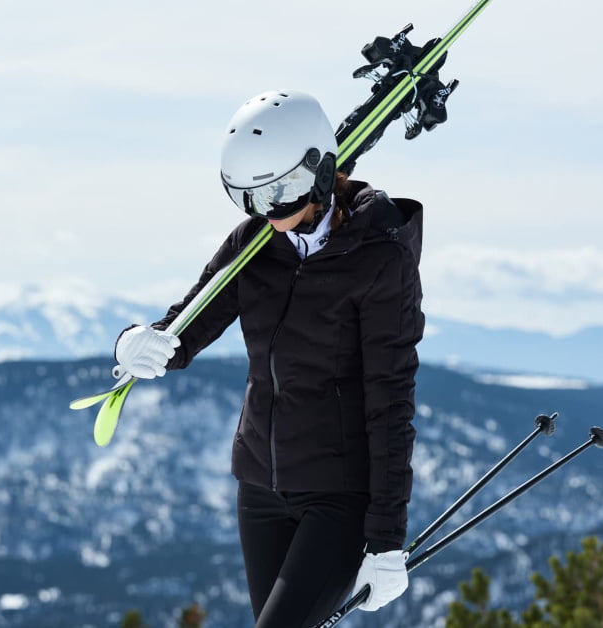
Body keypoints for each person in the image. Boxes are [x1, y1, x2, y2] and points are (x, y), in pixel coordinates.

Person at [114, 90, 424, 626]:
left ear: (320, 174)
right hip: (259, 488)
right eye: (249, 197)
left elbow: (391, 399)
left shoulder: (379, 259)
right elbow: (186, 326)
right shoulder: (256, 242)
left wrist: (386, 540)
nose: (269, 215)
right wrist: (139, 342)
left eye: (279, 195)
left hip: (338, 494)